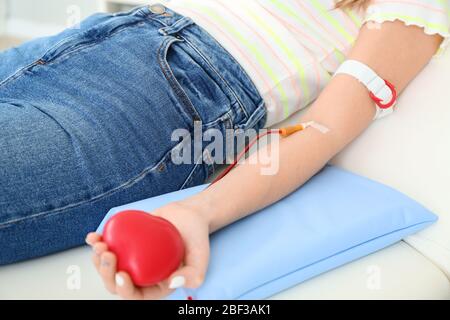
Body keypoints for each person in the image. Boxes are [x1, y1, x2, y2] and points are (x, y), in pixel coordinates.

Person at [1, 0, 448, 299]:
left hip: (172, 91)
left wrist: (200, 211)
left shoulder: (413, 7)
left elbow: (322, 130)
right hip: (100, 35)